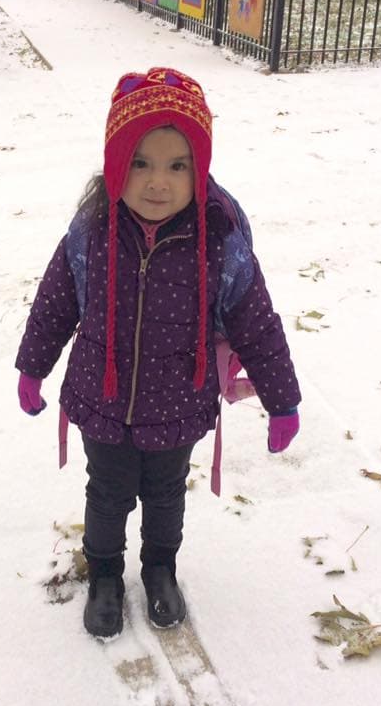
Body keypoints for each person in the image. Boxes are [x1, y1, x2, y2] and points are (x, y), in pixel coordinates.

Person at [16, 67, 301, 640]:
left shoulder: (217, 240)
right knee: (107, 493)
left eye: (178, 166)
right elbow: (56, 297)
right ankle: (104, 577)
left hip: (178, 405)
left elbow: (256, 320)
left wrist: (282, 399)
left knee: (167, 496)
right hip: (103, 399)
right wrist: (33, 365)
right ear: (116, 162)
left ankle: (160, 568)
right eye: (141, 163)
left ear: (200, 170)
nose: (157, 183)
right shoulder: (92, 230)